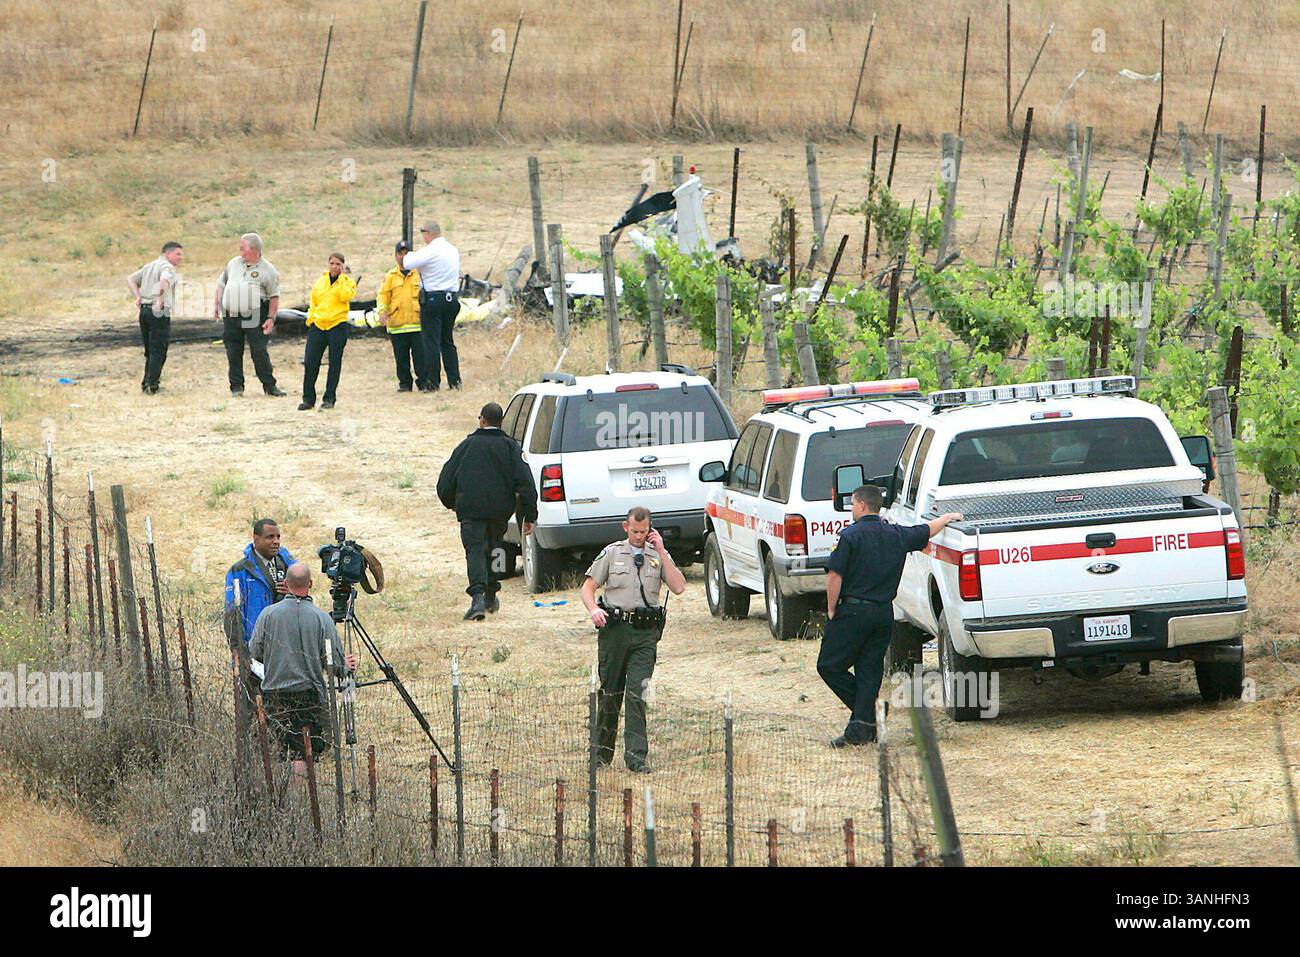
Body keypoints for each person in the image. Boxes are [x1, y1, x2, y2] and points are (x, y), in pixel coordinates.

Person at [818, 486, 962, 747]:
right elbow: (926, 531)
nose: (851, 509)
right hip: (883, 613)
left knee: (829, 665)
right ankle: (862, 730)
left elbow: (834, 575)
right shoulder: (896, 534)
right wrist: (946, 518)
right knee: (869, 672)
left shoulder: (849, 537)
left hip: (853, 612)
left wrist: (831, 609)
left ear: (862, 505)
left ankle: (868, 715)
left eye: (852, 504)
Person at [580, 507, 686, 773]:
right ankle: (601, 755)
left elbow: (679, 586)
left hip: (645, 634)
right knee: (610, 692)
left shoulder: (657, 555)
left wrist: (661, 550)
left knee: (637, 693)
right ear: (625, 527)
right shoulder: (612, 553)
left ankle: (636, 757)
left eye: (644, 531)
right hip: (615, 631)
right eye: (635, 531)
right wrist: (594, 609)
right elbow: (588, 587)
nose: (639, 536)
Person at [249, 562, 357, 782]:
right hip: (308, 693)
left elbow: (254, 651)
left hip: (275, 693)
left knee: (282, 747)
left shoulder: (268, 615)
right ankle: (303, 795)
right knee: (304, 748)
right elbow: (335, 664)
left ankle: (283, 795)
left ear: (286, 584)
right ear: (310, 584)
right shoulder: (321, 618)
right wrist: (347, 665)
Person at [436, 402, 538, 621]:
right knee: (495, 549)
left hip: (471, 510)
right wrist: (530, 515)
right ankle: (491, 594)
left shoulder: (466, 446)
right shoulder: (510, 447)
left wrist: (451, 503)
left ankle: (477, 598)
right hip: (499, 511)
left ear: (482, 420)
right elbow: (526, 483)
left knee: (474, 551)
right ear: (500, 422)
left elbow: (445, 480)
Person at [215, 232, 286, 398]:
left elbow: (274, 296)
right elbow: (221, 283)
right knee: (233, 350)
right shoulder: (234, 263)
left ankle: (269, 386)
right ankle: (236, 387)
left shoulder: (268, 270)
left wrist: (270, 318)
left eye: (243, 248)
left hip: (254, 315)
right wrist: (217, 304)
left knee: (259, 351)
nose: (240, 251)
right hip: (231, 315)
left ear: (253, 250)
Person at [401, 220, 462, 390]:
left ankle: (433, 382)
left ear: (427, 233)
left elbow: (407, 263)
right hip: (452, 299)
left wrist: (409, 254)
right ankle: (455, 381)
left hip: (434, 299)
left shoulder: (431, 250)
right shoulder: (452, 249)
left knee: (431, 343)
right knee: (447, 341)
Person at [299, 252, 358, 410]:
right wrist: (311, 319)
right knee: (311, 361)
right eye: (332, 263)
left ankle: (329, 398)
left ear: (342, 266)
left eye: (338, 264)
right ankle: (308, 399)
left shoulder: (348, 282)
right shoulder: (320, 282)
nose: (334, 266)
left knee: (334, 363)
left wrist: (343, 278)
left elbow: (345, 296)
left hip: (337, 325)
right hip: (318, 325)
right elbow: (314, 302)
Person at [225, 518, 295, 649]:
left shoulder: (288, 565)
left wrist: (293, 592)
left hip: (287, 647)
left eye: (278, 537)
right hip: (255, 647)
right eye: (270, 537)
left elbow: (304, 594)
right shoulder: (239, 571)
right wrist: (238, 650)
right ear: (255, 538)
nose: (276, 542)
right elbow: (231, 614)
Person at [126, 241, 183, 394]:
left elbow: (131, 279)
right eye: (178, 254)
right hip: (158, 311)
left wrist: (138, 297)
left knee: (150, 350)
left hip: (144, 311)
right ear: (168, 253)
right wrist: (160, 300)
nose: (180, 258)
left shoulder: (149, 266)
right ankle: (152, 385)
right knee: (158, 349)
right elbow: (164, 281)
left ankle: (146, 383)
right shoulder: (167, 267)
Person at [377, 240, 431, 392]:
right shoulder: (390, 276)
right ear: (395, 256)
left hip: (417, 324)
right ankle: (405, 384)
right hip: (397, 325)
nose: (402, 257)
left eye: (406, 253)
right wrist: (382, 312)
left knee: (421, 357)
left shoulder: (420, 274)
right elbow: (383, 297)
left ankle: (424, 382)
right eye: (400, 253)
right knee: (401, 358)